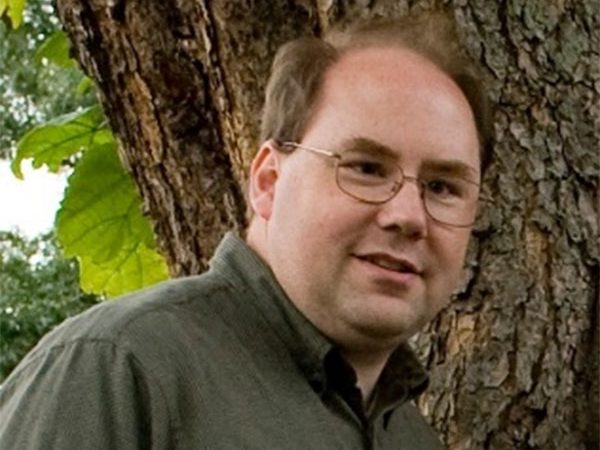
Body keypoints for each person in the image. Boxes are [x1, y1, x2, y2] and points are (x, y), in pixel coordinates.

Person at [0, 10, 493, 450]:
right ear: (268, 181)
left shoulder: (412, 439)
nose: (408, 215)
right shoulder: (121, 370)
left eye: (442, 187)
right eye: (366, 168)